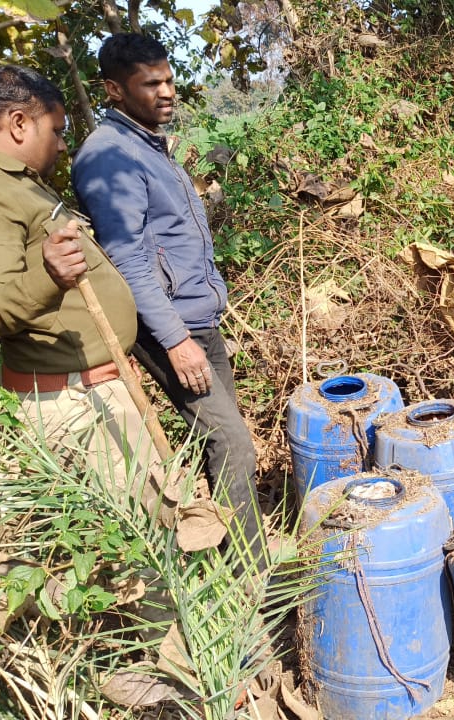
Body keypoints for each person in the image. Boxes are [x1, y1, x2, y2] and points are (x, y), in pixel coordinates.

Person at [0, 65, 175, 521]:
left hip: (95, 388)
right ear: (19, 123)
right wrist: (49, 274)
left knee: (154, 524)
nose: (63, 144)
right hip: (71, 404)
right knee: (140, 543)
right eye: (57, 130)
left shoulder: (15, 182)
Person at [72, 33, 264, 563]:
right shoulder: (108, 157)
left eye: (169, 80)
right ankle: (254, 580)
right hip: (170, 327)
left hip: (197, 320)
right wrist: (176, 340)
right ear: (114, 89)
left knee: (223, 443)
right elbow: (127, 257)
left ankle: (228, 559)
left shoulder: (148, 145)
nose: (166, 92)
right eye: (150, 84)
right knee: (232, 444)